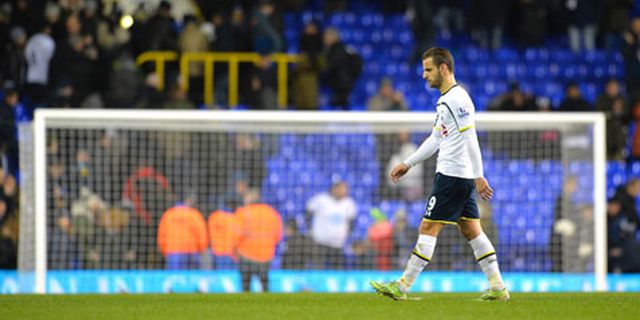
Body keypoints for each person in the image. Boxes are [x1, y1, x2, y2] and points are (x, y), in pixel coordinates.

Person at [370, 47, 508, 301]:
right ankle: (498, 286)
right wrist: (408, 163)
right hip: (459, 176)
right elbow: (436, 138)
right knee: (471, 231)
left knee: (428, 226)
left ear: (443, 68)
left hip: (453, 176)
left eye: (428, 69)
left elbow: (471, 138)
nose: (424, 75)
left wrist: (479, 175)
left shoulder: (457, 99)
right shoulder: (446, 100)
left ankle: (402, 286)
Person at [234, 189, 283, 292]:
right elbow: (278, 236)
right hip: (265, 255)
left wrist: (235, 252)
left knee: (245, 287)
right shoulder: (271, 212)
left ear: (249, 199)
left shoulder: (242, 212)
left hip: (246, 255)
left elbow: (235, 235)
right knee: (264, 285)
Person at [306, 181, 357, 269]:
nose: (345, 192)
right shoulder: (320, 199)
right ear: (334, 189)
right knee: (318, 268)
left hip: (338, 245)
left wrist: (346, 235)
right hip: (320, 243)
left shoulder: (349, 203)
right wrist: (310, 229)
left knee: (337, 270)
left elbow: (352, 221)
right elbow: (307, 213)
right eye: (342, 189)